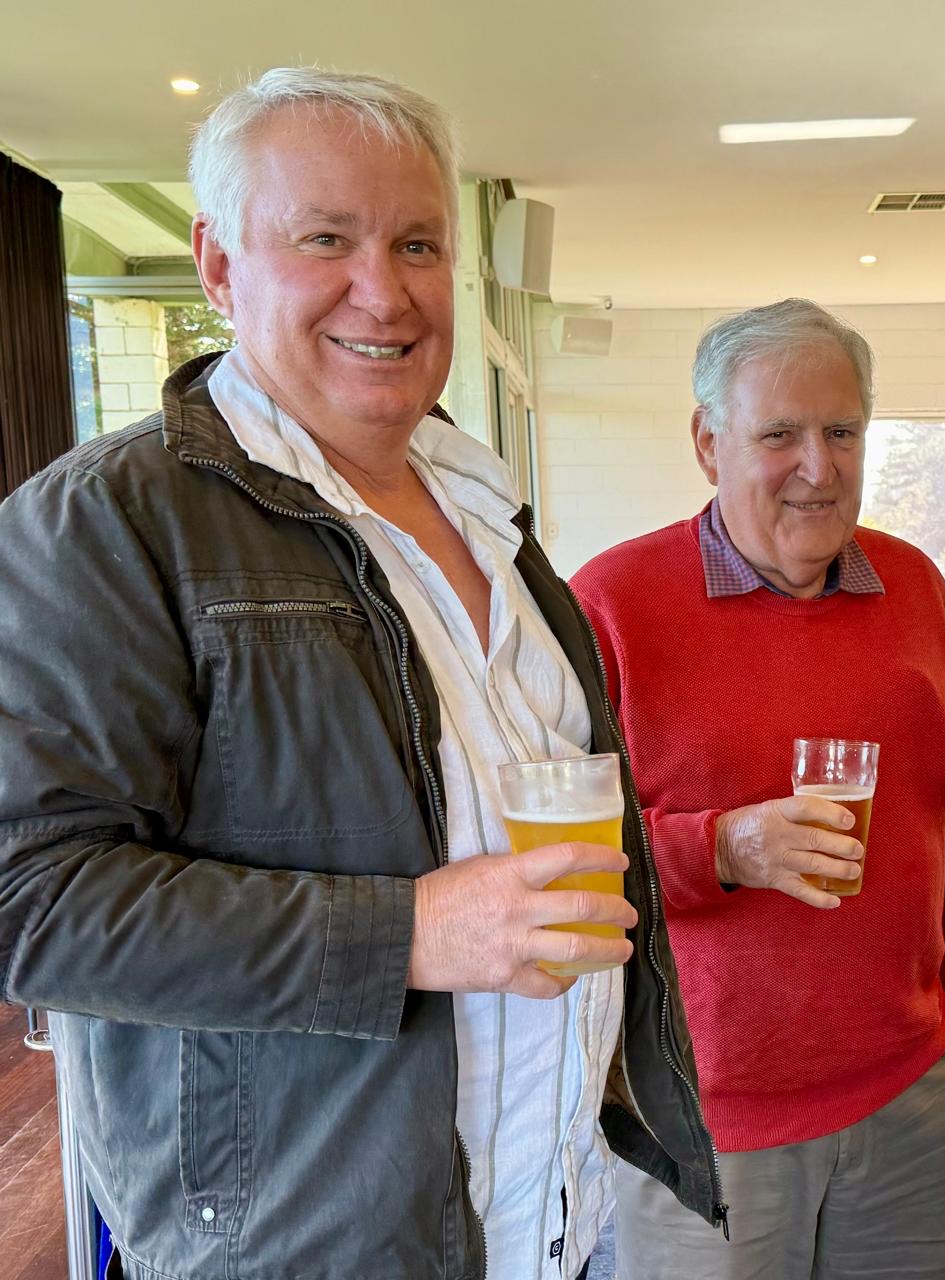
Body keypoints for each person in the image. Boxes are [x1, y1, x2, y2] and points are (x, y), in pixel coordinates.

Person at [0, 68, 718, 1280]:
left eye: (417, 243)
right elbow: (30, 899)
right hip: (300, 1246)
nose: (383, 291)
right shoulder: (104, 521)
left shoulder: (490, 514)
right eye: (325, 239)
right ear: (219, 265)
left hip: (542, 1223)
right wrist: (409, 933)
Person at [571, 298, 945, 1279]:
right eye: (780, 435)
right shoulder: (611, 603)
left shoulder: (915, 587)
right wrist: (721, 848)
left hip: (917, 1093)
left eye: (842, 431)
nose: (819, 466)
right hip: (705, 1116)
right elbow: (558, 857)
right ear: (707, 442)